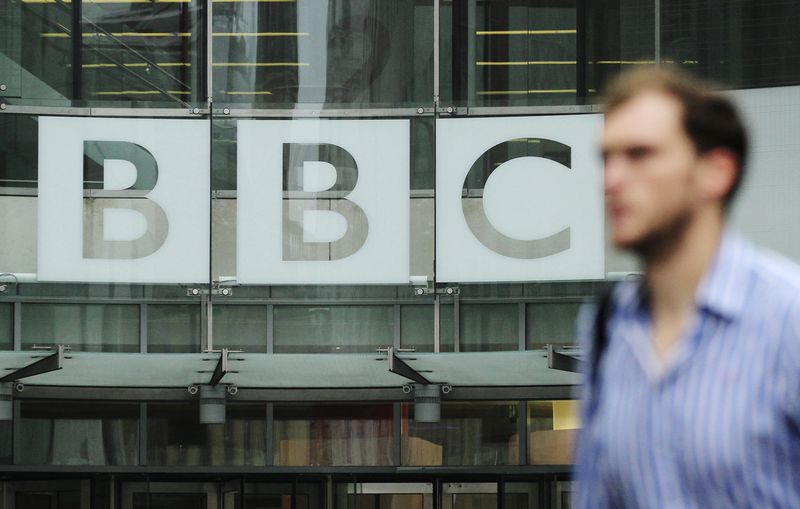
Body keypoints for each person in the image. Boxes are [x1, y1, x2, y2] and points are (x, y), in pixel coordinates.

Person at [574, 67, 800, 508]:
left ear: (715, 172)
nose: (611, 180)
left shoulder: (788, 317)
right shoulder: (604, 330)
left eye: (639, 154)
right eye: (607, 158)